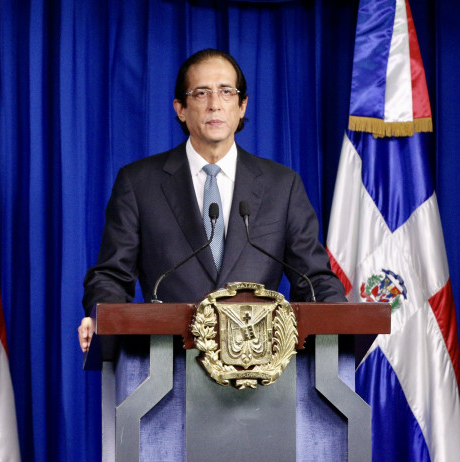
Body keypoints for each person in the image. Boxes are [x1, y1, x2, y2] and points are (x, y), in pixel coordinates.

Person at [78, 49, 345, 352]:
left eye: (226, 92)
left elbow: (314, 280)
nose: (215, 104)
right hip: (167, 359)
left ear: (242, 106)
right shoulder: (139, 183)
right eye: (201, 93)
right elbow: (112, 275)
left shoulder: (282, 186)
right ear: (181, 108)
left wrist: (342, 319)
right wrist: (100, 317)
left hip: (259, 364)